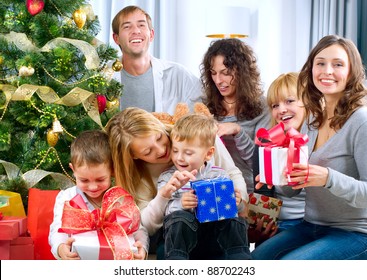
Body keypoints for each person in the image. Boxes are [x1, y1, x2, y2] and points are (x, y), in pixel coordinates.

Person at [252, 35, 367, 260]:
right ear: (311, 69)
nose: (327, 71)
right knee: (254, 261)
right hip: (311, 225)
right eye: (320, 63)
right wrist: (276, 177)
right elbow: (294, 188)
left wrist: (327, 178)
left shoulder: (360, 121)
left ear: (351, 71)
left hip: (355, 232)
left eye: (338, 64)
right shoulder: (312, 121)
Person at [105, 107, 248, 258]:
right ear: (134, 156)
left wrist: (241, 201)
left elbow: (232, 173)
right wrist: (164, 196)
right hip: (181, 233)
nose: (161, 150)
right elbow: (144, 226)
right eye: (148, 152)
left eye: (160, 137)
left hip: (215, 229)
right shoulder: (145, 177)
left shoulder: (194, 134)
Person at [157, 114, 251, 259]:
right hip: (186, 242)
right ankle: (176, 261)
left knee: (233, 221)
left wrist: (236, 203)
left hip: (216, 239)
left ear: (208, 154)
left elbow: (236, 211)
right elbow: (163, 211)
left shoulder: (219, 175)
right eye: (175, 150)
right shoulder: (168, 178)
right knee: (179, 218)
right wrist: (181, 204)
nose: (179, 157)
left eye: (188, 153)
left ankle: (239, 258)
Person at [48, 130, 148, 260]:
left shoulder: (120, 197)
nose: (93, 187)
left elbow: (138, 228)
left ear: (111, 170)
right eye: (84, 180)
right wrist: (61, 248)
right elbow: (57, 229)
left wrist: (142, 248)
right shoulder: (67, 198)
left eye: (100, 179)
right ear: (73, 170)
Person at [200, 38, 271, 194]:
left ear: (242, 71)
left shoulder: (263, 106)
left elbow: (261, 165)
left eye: (226, 73)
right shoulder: (202, 106)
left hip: (250, 194)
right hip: (211, 193)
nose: (218, 80)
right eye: (213, 73)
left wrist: (238, 132)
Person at [111, 5, 202, 114]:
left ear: (152, 35)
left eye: (141, 25)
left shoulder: (178, 74)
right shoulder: (102, 77)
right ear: (116, 39)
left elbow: (208, 107)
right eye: (127, 26)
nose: (135, 31)